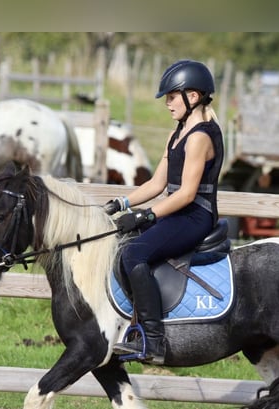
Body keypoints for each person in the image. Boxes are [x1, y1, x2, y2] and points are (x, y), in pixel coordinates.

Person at [104, 59, 224, 364]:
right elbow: (158, 183)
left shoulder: (199, 137)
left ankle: (153, 341)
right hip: (178, 212)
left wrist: (149, 215)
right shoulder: (178, 133)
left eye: (172, 97)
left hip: (195, 216)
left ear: (192, 97)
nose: (168, 104)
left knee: (134, 254)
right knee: (123, 242)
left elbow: (185, 193)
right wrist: (123, 203)